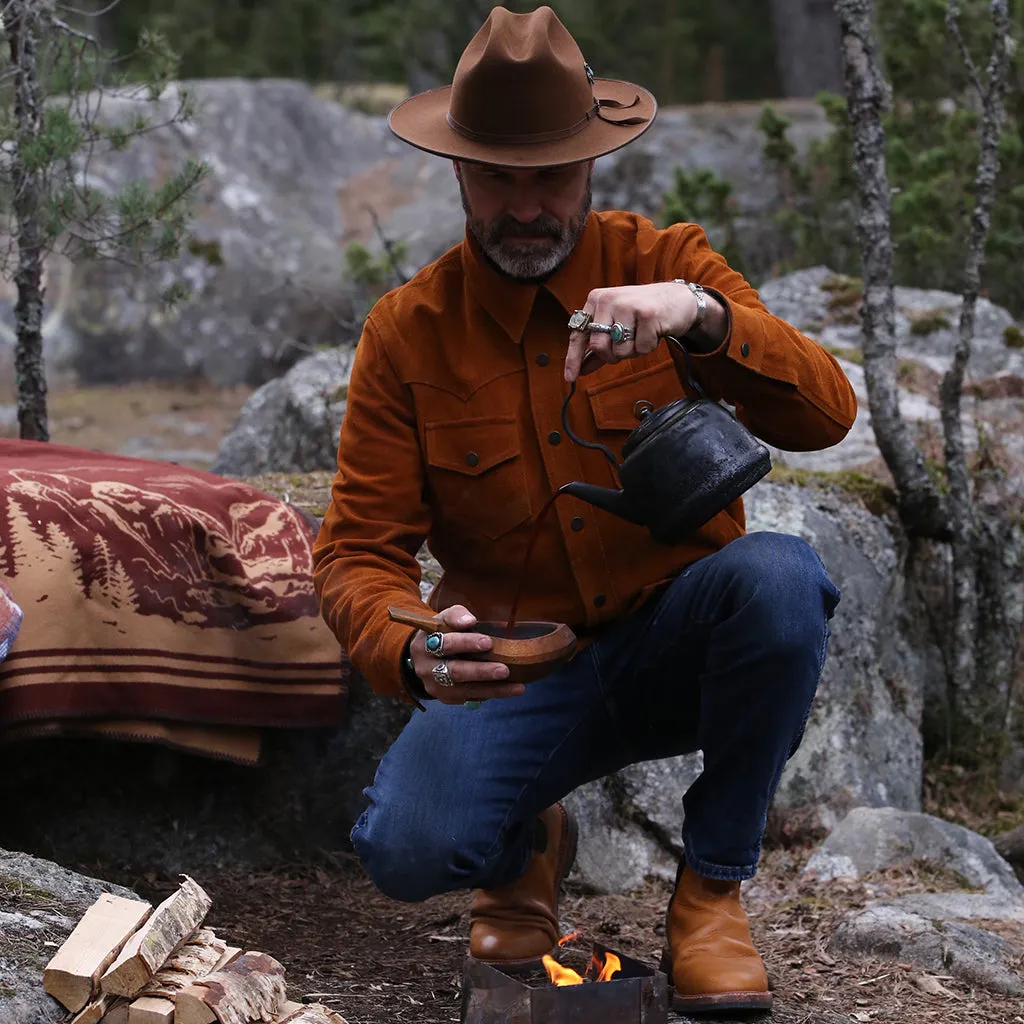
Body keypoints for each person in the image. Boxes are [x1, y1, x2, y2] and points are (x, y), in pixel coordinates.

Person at [312, 5, 856, 1014]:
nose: (528, 207)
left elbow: (827, 411)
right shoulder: (406, 333)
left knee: (779, 580)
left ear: (594, 168)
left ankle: (710, 894)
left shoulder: (667, 261)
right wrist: (412, 646)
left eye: (551, 177)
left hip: (678, 646)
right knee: (405, 844)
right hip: (517, 677)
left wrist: (698, 317)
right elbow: (354, 554)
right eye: (500, 179)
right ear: (458, 172)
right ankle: (525, 847)